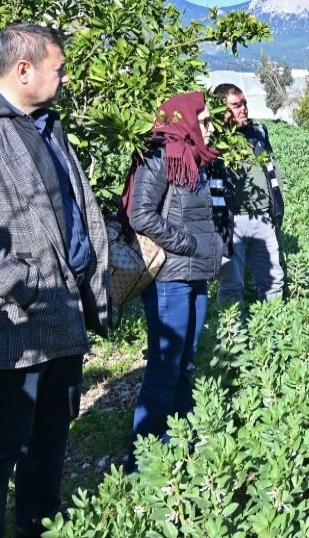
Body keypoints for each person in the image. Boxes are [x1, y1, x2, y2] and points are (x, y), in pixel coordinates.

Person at [0, 23, 110, 538]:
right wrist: (19, 282)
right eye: (58, 69)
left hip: (63, 313)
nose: (65, 78)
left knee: (49, 442)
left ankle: (39, 527)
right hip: (11, 325)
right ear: (24, 70)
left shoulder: (46, 124)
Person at [123, 92, 228, 472]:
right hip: (170, 278)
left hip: (195, 274)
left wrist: (211, 250)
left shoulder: (197, 158)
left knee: (185, 362)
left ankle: (181, 442)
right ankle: (142, 461)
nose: (210, 128)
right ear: (186, 120)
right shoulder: (161, 157)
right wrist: (188, 244)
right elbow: (141, 215)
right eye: (205, 120)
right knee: (164, 367)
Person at [211, 83, 285, 305]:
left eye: (244, 103)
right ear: (221, 110)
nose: (244, 108)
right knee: (231, 285)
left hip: (263, 219)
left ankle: (273, 323)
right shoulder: (213, 140)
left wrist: (275, 208)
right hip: (231, 222)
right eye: (236, 105)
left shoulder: (258, 133)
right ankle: (230, 326)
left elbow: (271, 170)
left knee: (274, 281)